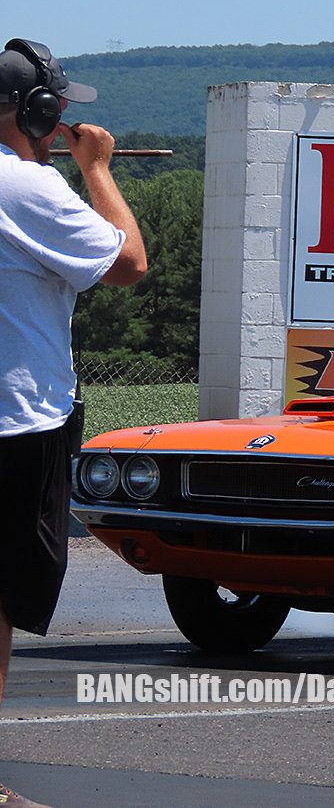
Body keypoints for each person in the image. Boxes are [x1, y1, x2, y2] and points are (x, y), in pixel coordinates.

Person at [0, 39, 146, 808]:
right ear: (40, 112)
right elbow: (128, 263)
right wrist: (96, 170)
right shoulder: (28, 186)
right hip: (15, 425)